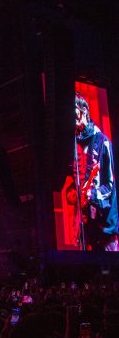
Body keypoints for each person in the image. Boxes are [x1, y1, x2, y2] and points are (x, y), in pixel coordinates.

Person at [74, 92, 119, 251]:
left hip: (105, 226)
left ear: (83, 110)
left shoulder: (101, 141)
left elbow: (110, 186)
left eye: (74, 111)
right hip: (87, 225)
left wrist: (92, 195)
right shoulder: (75, 144)